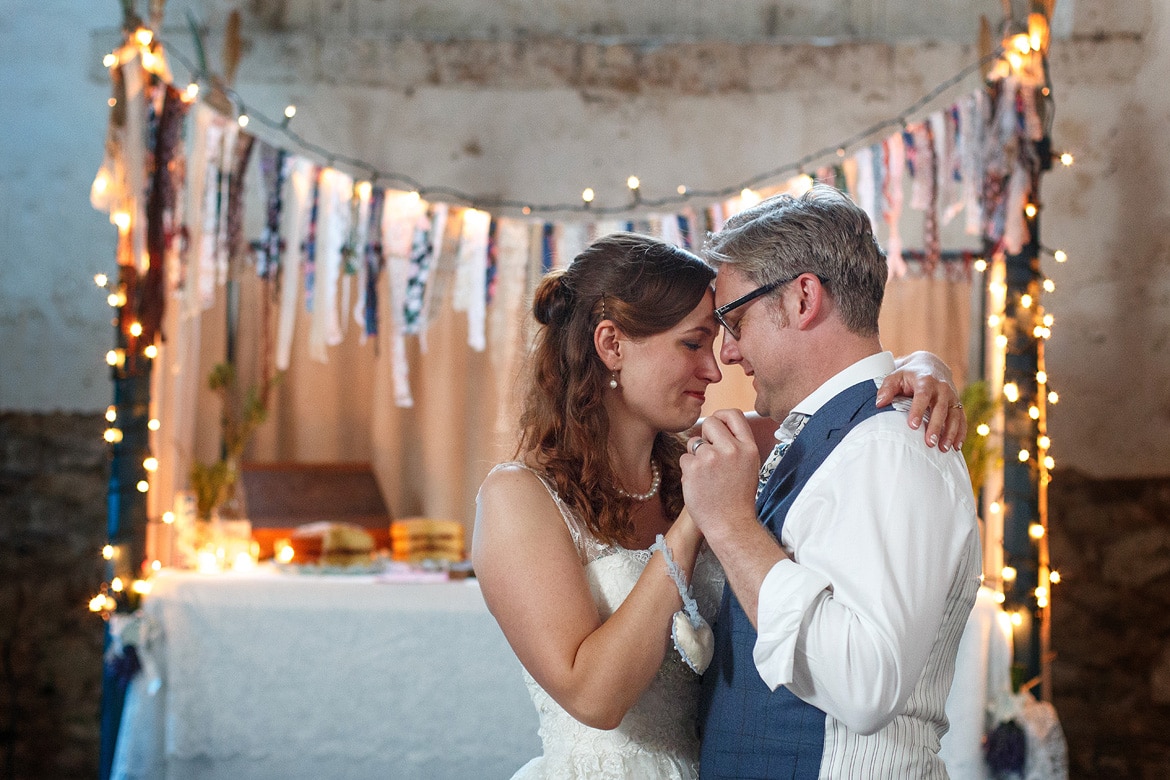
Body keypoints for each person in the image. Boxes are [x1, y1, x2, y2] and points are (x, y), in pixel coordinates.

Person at [473, 231, 967, 779]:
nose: (715, 368)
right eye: (692, 344)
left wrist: (926, 371)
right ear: (611, 344)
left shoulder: (709, 455)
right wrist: (694, 522)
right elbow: (595, 699)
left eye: (718, 341)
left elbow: (844, 406)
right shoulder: (519, 497)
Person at [680, 185, 982, 778]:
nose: (729, 353)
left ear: (803, 299)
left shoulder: (892, 448)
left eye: (734, 321)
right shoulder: (826, 434)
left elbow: (865, 686)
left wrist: (733, 527)